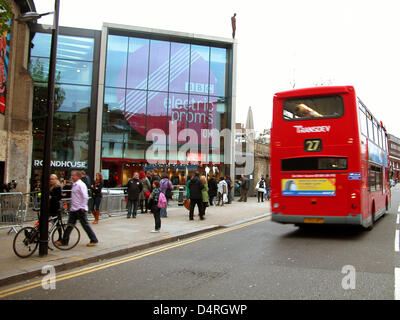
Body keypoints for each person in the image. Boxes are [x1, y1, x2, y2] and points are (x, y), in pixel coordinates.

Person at [56, 170, 98, 247]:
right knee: (70, 225)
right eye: (72, 175)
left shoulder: (81, 185)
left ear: (78, 177)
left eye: (73, 175)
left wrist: (82, 207)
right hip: (74, 209)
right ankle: (64, 241)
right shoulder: (75, 184)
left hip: (80, 209)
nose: (72, 177)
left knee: (85, 225)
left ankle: (94, 239)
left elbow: (85, 197)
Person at [49, 174, 62, 242]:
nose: (51, 180)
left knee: (57, 223)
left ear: (56, 179)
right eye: (50, 179)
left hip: (55, 207)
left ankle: (60, 237)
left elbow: (58, 197)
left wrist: (51, 197)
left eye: (52, 179)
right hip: (48, 207)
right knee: (42, 221)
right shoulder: (49, 186)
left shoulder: (57, 187)